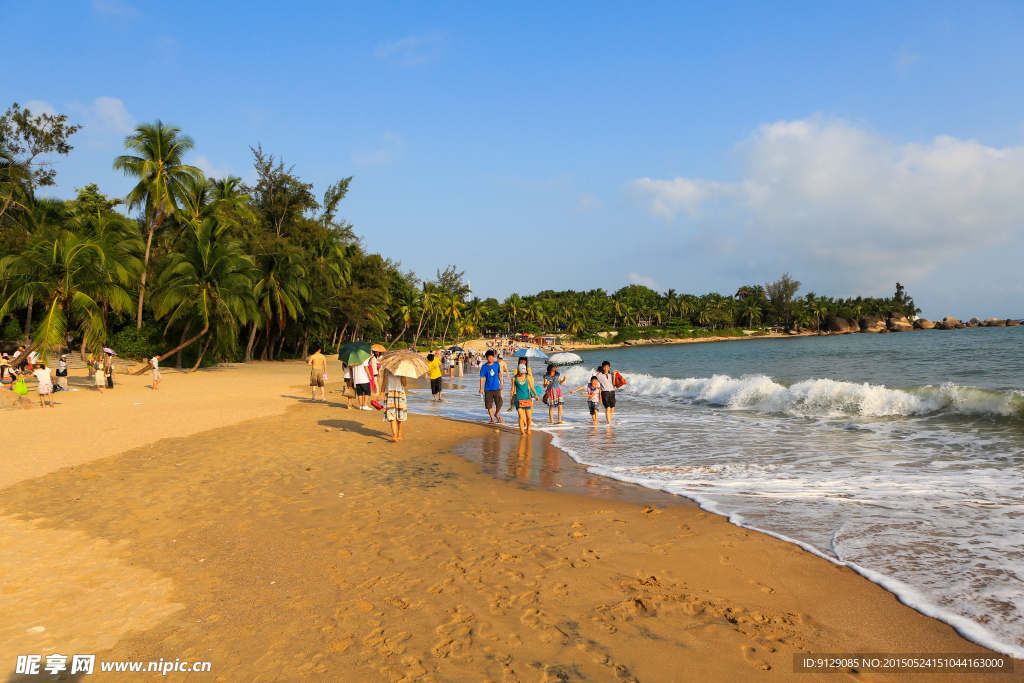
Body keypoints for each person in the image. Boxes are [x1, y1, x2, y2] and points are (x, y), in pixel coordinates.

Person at [510, 359, 538, 435]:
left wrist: (535, 394)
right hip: (518, 399)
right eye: (522, 372)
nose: (523, 373)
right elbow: (512, 389)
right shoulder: (514, 378)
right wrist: (511, 399)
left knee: (529, 417)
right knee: (521, 416)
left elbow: (532, 387)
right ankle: (522, 432)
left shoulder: (528, 377)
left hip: (527, 398)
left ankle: (528, 429)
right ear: (519, 371)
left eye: (524, 372)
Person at [479, 350, 504, 423]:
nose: (491, 358)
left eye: (492, 357)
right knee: (489, 405)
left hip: (496, 387)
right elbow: (482, 377)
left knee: (499, 404)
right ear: (486, 358)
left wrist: (501, 383)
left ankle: (496, 414)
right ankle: (492, 419)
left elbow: (499, 373)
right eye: (489, 357)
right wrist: (480, 388)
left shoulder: (497, 364)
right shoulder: (484, 367)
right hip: (488, 388)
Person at [382, 369, 408, 442]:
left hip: (400, 394)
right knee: (391, 415)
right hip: (389, 394)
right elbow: (384, 383)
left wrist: (403, 379)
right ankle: (394, 435)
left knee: (400, 416)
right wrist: (381, 395)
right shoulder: (386, 370)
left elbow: (405, 384)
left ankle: (399, 434)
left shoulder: (402, 370)